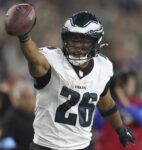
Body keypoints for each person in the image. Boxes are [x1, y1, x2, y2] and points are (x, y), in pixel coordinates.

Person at [5, 9, 135, 150]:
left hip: (82, 146)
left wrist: (120, 129)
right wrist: (24, 36)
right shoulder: (53, 61)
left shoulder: (102, 67)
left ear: (95, 42)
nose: (76, 48)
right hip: (47, 146)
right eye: (73, 40)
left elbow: (106, 104)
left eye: (83, 42)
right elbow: (35, 60)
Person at [0, 80, 35, 150]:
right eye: (24, 98)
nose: (29, 102)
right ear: (16, 99)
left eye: (31, 98)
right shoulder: (10, 117)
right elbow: (6, 142)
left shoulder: (37, 117)